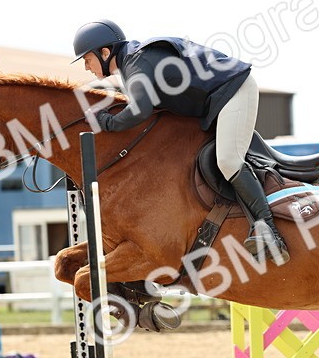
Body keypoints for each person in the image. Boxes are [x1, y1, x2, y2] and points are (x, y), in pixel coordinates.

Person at [72, 19, 289, 263]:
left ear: (104, 52)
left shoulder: (136, 63)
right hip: (214, 101)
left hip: (234, 91)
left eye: (87, 59)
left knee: (228, 161)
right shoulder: (131, 65)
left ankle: (268, 229)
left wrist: (105, 122)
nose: (86, 67)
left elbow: (140, 111)